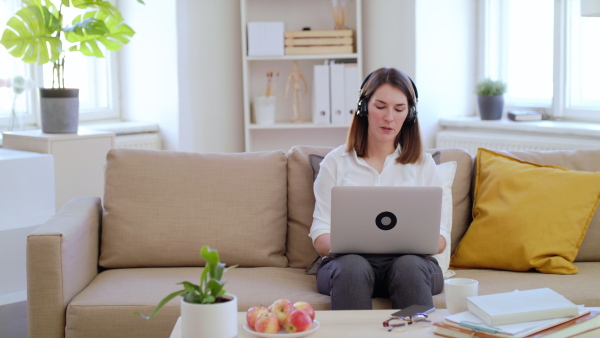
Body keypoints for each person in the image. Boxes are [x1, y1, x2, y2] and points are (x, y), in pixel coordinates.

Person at [309, 67, 449, 310]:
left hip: (412, 266)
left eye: (399, 109)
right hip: (348, 266)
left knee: (408, 267)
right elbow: (320, 236)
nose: (389, 118)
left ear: (410, 114)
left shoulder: (423, 164)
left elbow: (439, 239)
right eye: (380, 107)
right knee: (353, 266)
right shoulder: (335, 162)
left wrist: (404, 244)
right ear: (363, 108)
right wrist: (352, 245)